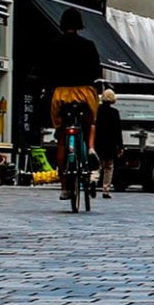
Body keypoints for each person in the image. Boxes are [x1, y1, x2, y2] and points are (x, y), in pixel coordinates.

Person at [48, 10, 104, 155]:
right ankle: (90, 148)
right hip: (84, 92)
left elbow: (47, 69)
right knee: (90, 121)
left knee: (61, 133)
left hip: (61, 93)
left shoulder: (54, 45)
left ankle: (61, 170)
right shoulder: (88, 45)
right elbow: (96, 70)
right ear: (79, 25)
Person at [93, 86, 124, 197]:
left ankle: (93, 181)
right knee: (108, 167)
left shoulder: (96, 110)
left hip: (97, 141)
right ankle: (106, 189)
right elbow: (117, 130)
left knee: (96, 165)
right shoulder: (114, 112)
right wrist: (120, 146)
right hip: (110, 143)